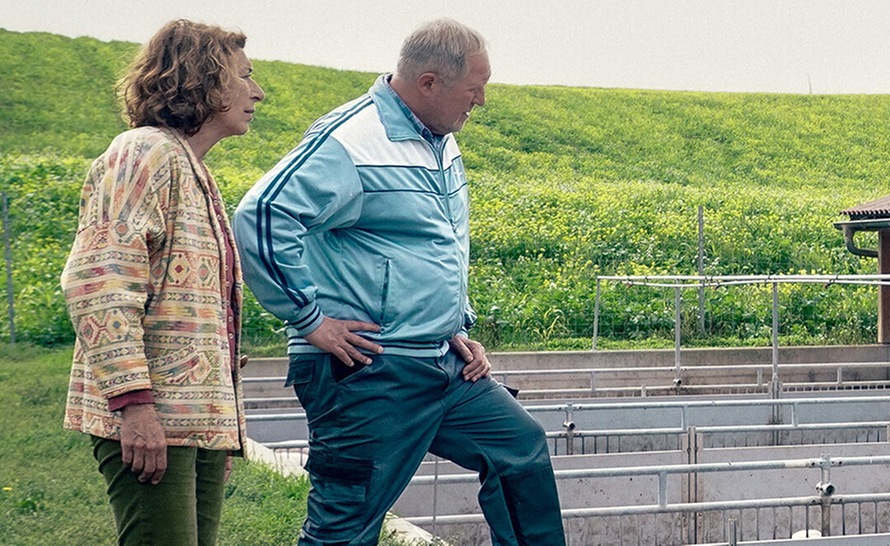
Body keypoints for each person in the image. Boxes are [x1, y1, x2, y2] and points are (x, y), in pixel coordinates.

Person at [234, 18, 565, 545]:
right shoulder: (351, 138)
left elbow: (431, 245)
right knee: (347, 521)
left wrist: (451, 323)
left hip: (439, 362)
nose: (481, 102)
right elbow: (263, 216)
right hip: (369, 368)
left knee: (519, 447)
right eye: (474, 89)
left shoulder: (440, 141)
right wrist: (309, 319)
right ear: (429, 82)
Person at [61, 19, 263, 546]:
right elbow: (97, 282)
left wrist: (219, 426)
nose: (257, 92)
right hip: (154, 418)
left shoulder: (191, 168)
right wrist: (135, 407)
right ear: (204, 81)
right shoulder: (143, 153)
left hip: (190, 422)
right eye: (244, 77)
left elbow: (197, 312)